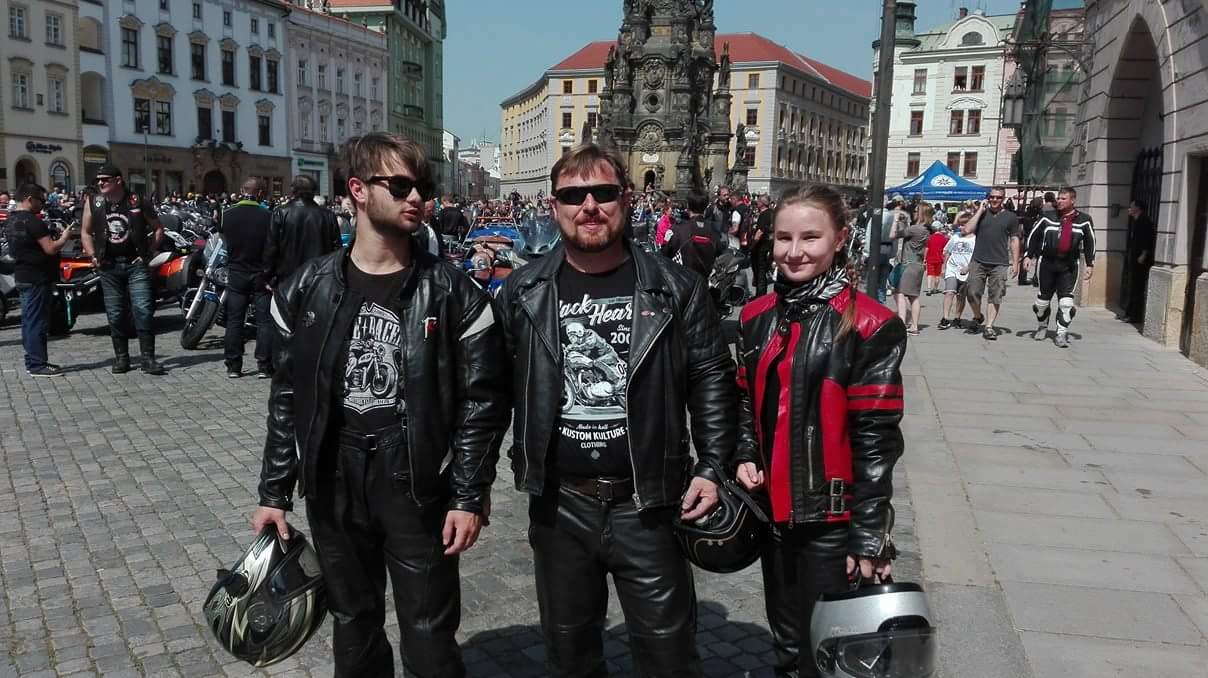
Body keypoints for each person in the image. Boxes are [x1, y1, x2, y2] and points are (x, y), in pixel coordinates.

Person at [252, 132, 510, 677]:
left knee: (429, 633)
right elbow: (288, 396)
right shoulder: (306, 288)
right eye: (399, 185)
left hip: (416, 480)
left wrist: (468, 494)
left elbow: (482, 404)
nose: (416, 197)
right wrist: (274, 491)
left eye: (422, 187)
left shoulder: (454, 292)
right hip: (334, 477)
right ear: (358, 190)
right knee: (353, 624)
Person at [495, 143, 734, 678]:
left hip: (649, 504)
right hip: (560, 505)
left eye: (603, 193)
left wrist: (712, 466)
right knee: (570, 657)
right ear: (553, 206)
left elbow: (712, 378)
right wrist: (471, 488)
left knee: (668, 656)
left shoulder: (676, 287)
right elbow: (488, 392)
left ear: (626, 199)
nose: (589, 206)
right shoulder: (522, 291)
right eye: (572, 196)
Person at [734, 184, 905, 678]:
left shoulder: (871, 324)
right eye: (783, 237)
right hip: (773, 512)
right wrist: (745, 451)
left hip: (832, 520)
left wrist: (869, 534)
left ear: (839, 239)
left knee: (830, 653)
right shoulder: (755, 316)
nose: (794, 251)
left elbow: (877, 439)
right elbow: (745, 399)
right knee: (788, 645)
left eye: (810, 237)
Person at [80, 165, 167, 375]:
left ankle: (148, 358)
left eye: (105, 179)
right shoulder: (94, 201)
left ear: (118, 180)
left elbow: (158, 228)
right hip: (108, 266)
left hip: (135, 265)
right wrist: (93, 255)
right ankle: (122, 358)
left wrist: (148, 253)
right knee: (115, 313)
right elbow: (85, 232)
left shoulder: (137, 200)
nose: (100, 183)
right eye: (98, 180)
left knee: (143, 310)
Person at [9, 184, 71, 376]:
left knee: (29, 321)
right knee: (37, 322)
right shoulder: (33, 222)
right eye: (41, 200)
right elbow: (50, 248)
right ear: (29, 199)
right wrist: (64, 238)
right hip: (37, 277)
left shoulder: (11, 220)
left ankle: (33, 361)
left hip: (22, 275)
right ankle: (37, 364)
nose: (43, 204)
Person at [1025, 187, 1096, 348]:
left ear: (1073, 200)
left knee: (1066, 303)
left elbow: (1091, 241)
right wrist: (1028, 255)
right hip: (1047, 263)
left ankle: (1061, 333)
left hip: (1069, 265)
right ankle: (1042, 326)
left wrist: (1090, 263)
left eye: (1064, 198)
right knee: (1042, 302)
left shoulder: (1084, 220)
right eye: (1058, 198)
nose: (1059, 201)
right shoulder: (1047, 217)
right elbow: (1034, 235)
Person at [218, 177, 273, 378]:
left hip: (236, 271)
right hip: (261, 273)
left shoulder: (226, 214)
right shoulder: (268, 215)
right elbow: (272, 246)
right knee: (264, 321)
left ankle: (233, 365)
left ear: (242, 190)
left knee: (234, 320)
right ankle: (264, 365)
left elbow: (222, 239)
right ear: (259, 193)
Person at [264, 174, 342, 289]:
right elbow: (337, 249)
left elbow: (271, 247)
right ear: (314, 192)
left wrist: (268, 276)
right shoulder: (327, 215)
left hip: (288, 278)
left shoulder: (281, 212)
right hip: (318, 278)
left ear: (293, 191)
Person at [964, 186, 1021, 340]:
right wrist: (979, 211)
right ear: (988, 198)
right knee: (972, 293)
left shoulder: (1010, 217)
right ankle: (978, 316)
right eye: (992, 197)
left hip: (999, 262)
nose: (995, 200)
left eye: (998, 197)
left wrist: (1015, 262)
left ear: (1003, 199)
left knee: (995, 295)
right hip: (978, 260)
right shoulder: (981, 214)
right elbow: (967, 230)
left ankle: (989, 327)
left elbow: (1014, 239)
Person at [661, 191, 723, 279]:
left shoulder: (678, 229)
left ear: (688, 206)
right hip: (704, 283)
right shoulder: (714, 231)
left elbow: (664, 254)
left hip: (682, 281)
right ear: (706, 207)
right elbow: (720, 252)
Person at [890, 202, 931, 335]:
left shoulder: (915, 229)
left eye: (916, 211)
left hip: (908, 265)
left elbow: (893, 235)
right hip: (917, 265)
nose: (914, 212)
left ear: (922, 213)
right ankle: (914, 326)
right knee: (914, 297)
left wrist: (896, 219)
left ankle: (902, 324)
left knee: (900, 294)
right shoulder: (925, 230)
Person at [938, 211, 976, 330]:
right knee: (949, 292)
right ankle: (945, 318)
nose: (960, 227)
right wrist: (944, 267)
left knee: (961, 296)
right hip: (952, 268)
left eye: (963, 225)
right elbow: (947, 252)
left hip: (966, 271)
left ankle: (957, 317)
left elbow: (976, 257)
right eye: (959, 225)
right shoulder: (955, 237)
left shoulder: (975, 240)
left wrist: (968, 267)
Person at [1123, 199, 1156, 323]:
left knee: (1138, 287)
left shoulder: (1145, 222)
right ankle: (1129, 313)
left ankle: (1135, 315)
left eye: (1131, 206)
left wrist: (1143, 254)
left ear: (1138, 208)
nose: (1129, 209)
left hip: (1141, 259)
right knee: (1133, 286)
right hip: (1134, 257)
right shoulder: (1135, 221)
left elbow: (1148, 240)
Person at [924, 222, 949, 295]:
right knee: (937, 274)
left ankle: (929, 289)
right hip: (939, 258)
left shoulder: (930, 237)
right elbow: (945, 250)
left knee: (929, 274)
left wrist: (924, 258)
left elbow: (927, 249)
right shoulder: (944, 238)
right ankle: (935, 289)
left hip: (930, 258)